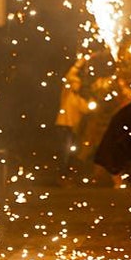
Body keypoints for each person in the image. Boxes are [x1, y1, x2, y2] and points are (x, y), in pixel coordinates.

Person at [53, 55, 92, 184]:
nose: (77, 86)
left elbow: (87, 109)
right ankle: (61, 174)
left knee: (71, 152)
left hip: (73, 129)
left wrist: (94, 101)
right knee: (64, 151)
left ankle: (67, 175)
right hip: (63, 126)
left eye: (78, 84)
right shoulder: (67, 94)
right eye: (74, 83)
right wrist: (82, 62)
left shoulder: (78, 99)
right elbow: (70, 75)